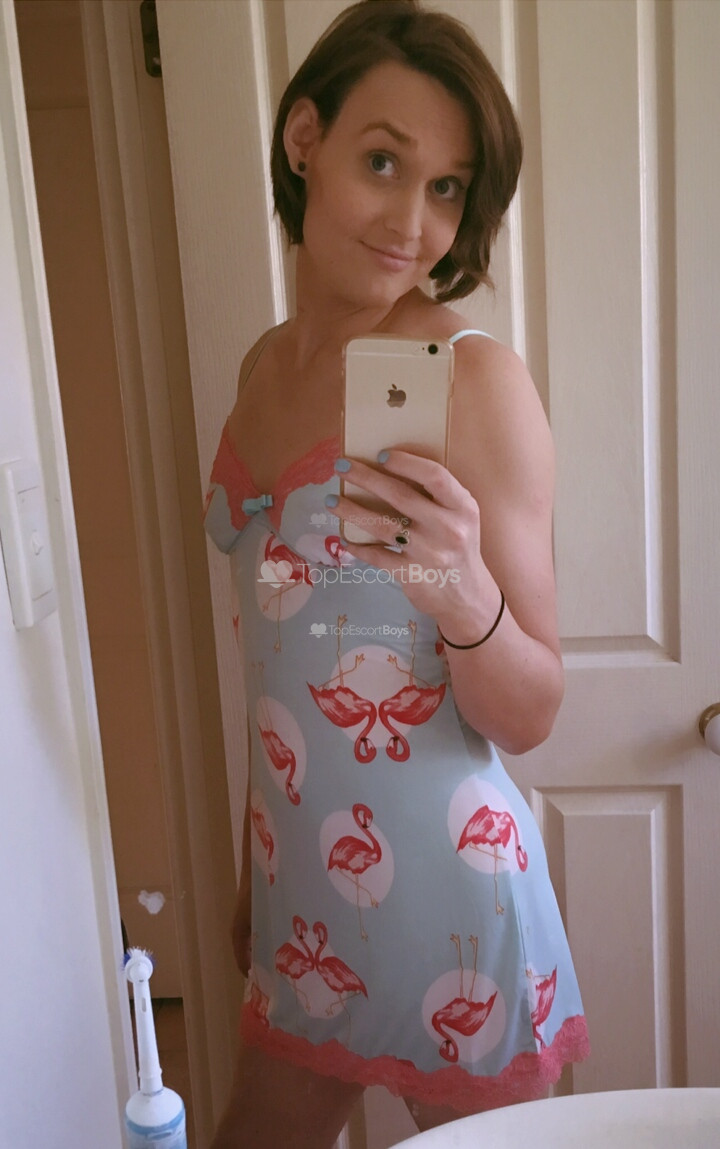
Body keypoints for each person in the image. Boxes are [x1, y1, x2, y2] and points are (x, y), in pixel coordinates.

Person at [203, 2, 590, 1145]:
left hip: (455, 910)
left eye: (448, 188)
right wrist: (257, 875)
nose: (414, 223)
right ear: (304, 140)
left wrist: (462, 588)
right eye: (384, 162)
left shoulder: (475, 381)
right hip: (303, 907)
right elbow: (276, 669)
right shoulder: (262, 368)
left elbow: (532, 711)